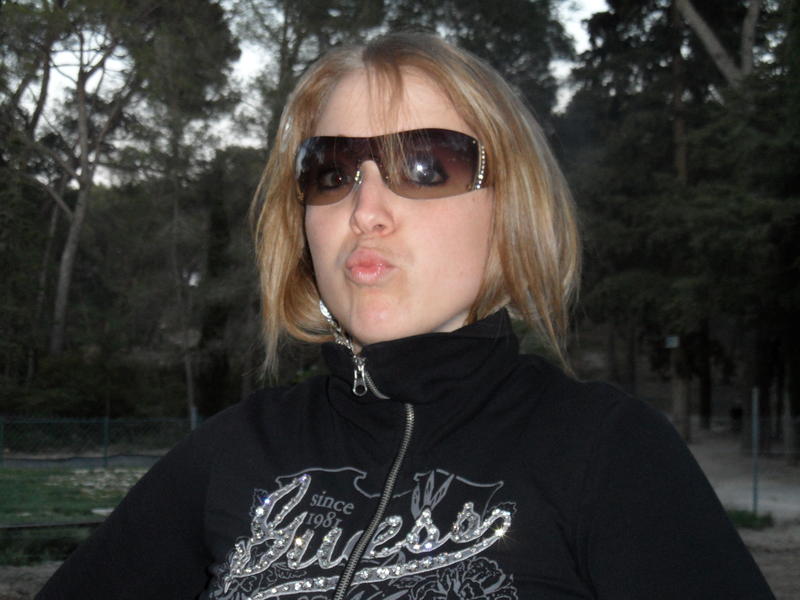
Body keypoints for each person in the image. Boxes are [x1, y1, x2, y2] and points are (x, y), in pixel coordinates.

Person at [39, 32, 774, 599]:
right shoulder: (230, 453)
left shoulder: (609, 452)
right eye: (331, 170)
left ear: (510, 210)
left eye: (426, 164)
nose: (365, 210)